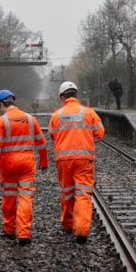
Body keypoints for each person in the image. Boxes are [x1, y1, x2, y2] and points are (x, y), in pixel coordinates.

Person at [0, 89, 48, 246]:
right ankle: (23, 234)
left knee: (9, 196)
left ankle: (9, 230)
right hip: (27, 163)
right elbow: (41, 142)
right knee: (25, 197)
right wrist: (43, 161)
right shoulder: (30, 119)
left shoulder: (1, 122)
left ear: (2, 104)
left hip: (8, 164)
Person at [48, 81, 105, 244]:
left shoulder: (56, 115)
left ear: (61, 97)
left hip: (63, 161)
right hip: (84, 160)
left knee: (66, 192)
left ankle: (67, 224)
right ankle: (81, 230)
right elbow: (100, 133)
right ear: (77, 95)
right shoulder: (89, 113)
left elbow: (52, 134)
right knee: (83, 194)